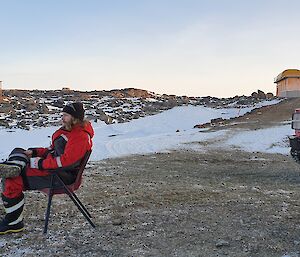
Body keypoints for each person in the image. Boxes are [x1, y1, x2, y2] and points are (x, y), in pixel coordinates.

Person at [0, 102, 94, 234]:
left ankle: (13, 222)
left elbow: (66, 162)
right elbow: (52, 151)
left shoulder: (80, 136)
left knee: (12, 179)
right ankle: (14, 166)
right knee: (19, 151)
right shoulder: (71, 131)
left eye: (66, 115)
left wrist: (40, 164)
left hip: (59, 176)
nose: (62, 118)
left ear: (75, 118)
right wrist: (34, 152)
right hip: (55, 171)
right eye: (63, 115)